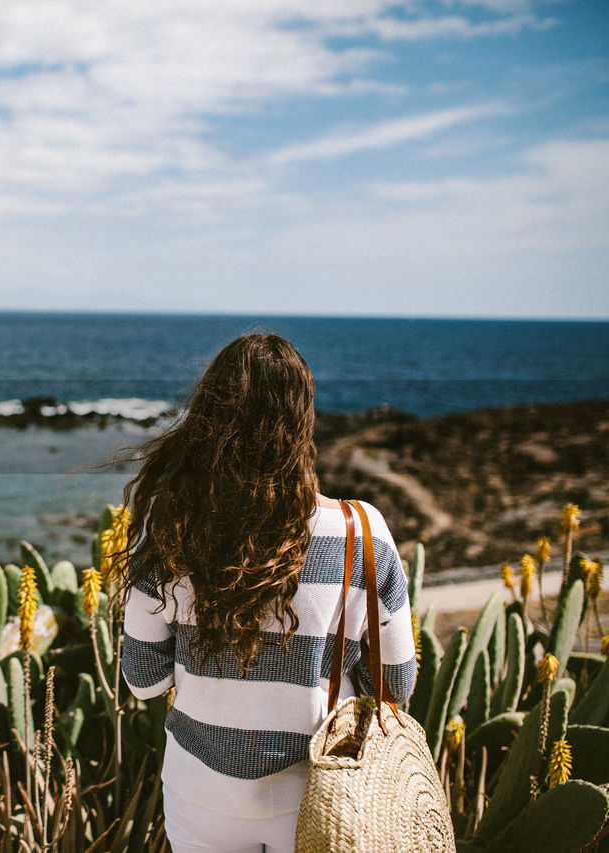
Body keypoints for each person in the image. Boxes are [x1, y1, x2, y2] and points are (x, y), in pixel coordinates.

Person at [118, 333, 417, 853]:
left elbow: (143, 681)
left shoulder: (165, 527)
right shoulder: (361, 531)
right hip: (317, 798)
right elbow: (394, 685)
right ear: (303, 420)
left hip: (199, 793)